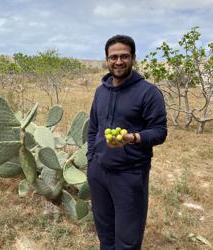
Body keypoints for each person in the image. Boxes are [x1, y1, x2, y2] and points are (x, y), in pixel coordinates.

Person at [87, 35, 167, 250]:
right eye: (113, 57)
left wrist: (134, 138)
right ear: (107, 59)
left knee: (127, 241)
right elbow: (93, 128)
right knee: (105, 236)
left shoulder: (148, 93)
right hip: (99, 173)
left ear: (133, 58)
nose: (119, 61)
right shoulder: (100, 91)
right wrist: (91, 161)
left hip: (130, 176)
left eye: (124, 56)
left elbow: (160, 132)